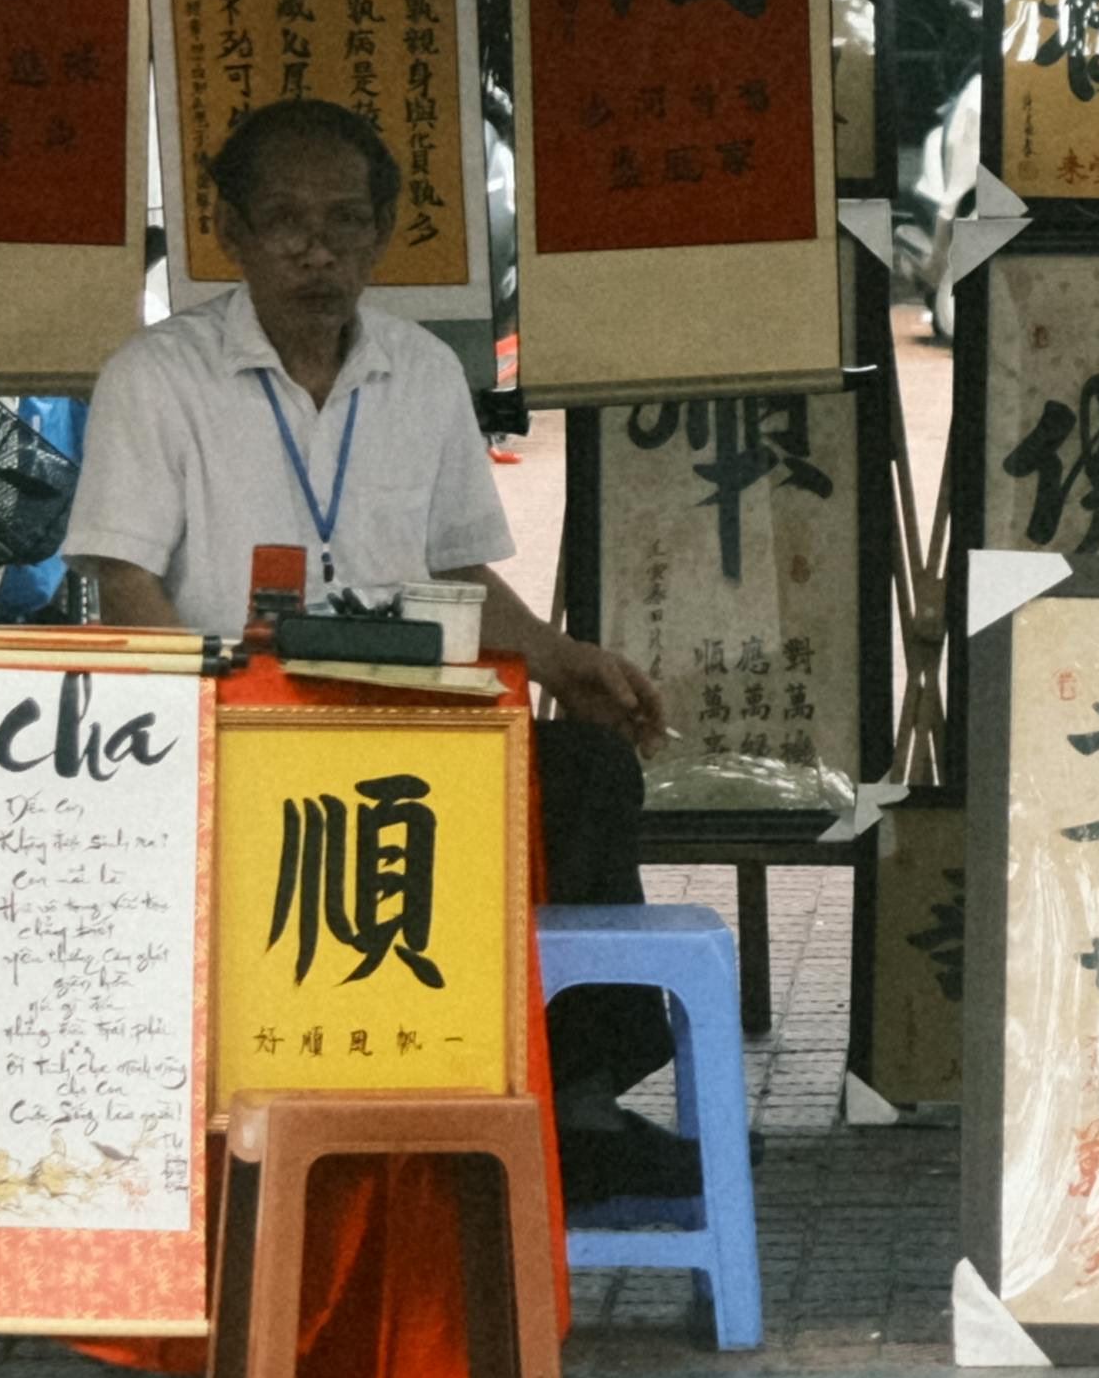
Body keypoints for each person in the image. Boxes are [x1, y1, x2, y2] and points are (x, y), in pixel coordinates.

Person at [62, 97, 696, 1196]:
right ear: (229, 230)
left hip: (411, 745)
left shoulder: (423, 373)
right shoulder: (156, 380)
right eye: (286, 223)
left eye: (346, 223)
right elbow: (122, 581)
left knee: (587, 770)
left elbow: (453, 572)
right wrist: (206, 711)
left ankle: (579, 1096)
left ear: (384, 232)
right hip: (237, 751)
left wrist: (556, 654)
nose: (318, 251)